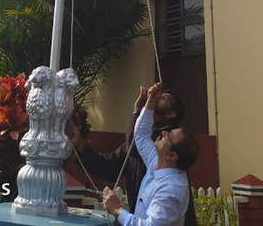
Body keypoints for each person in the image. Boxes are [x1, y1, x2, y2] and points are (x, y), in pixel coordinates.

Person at [67, 87, 197, 226]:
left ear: (171, 114)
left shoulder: (170, 156)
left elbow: (135, 143)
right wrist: (81, 148)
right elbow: (138, 137)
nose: (165, 134)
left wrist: (117, 210)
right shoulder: (157, 158)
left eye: (164, 97)